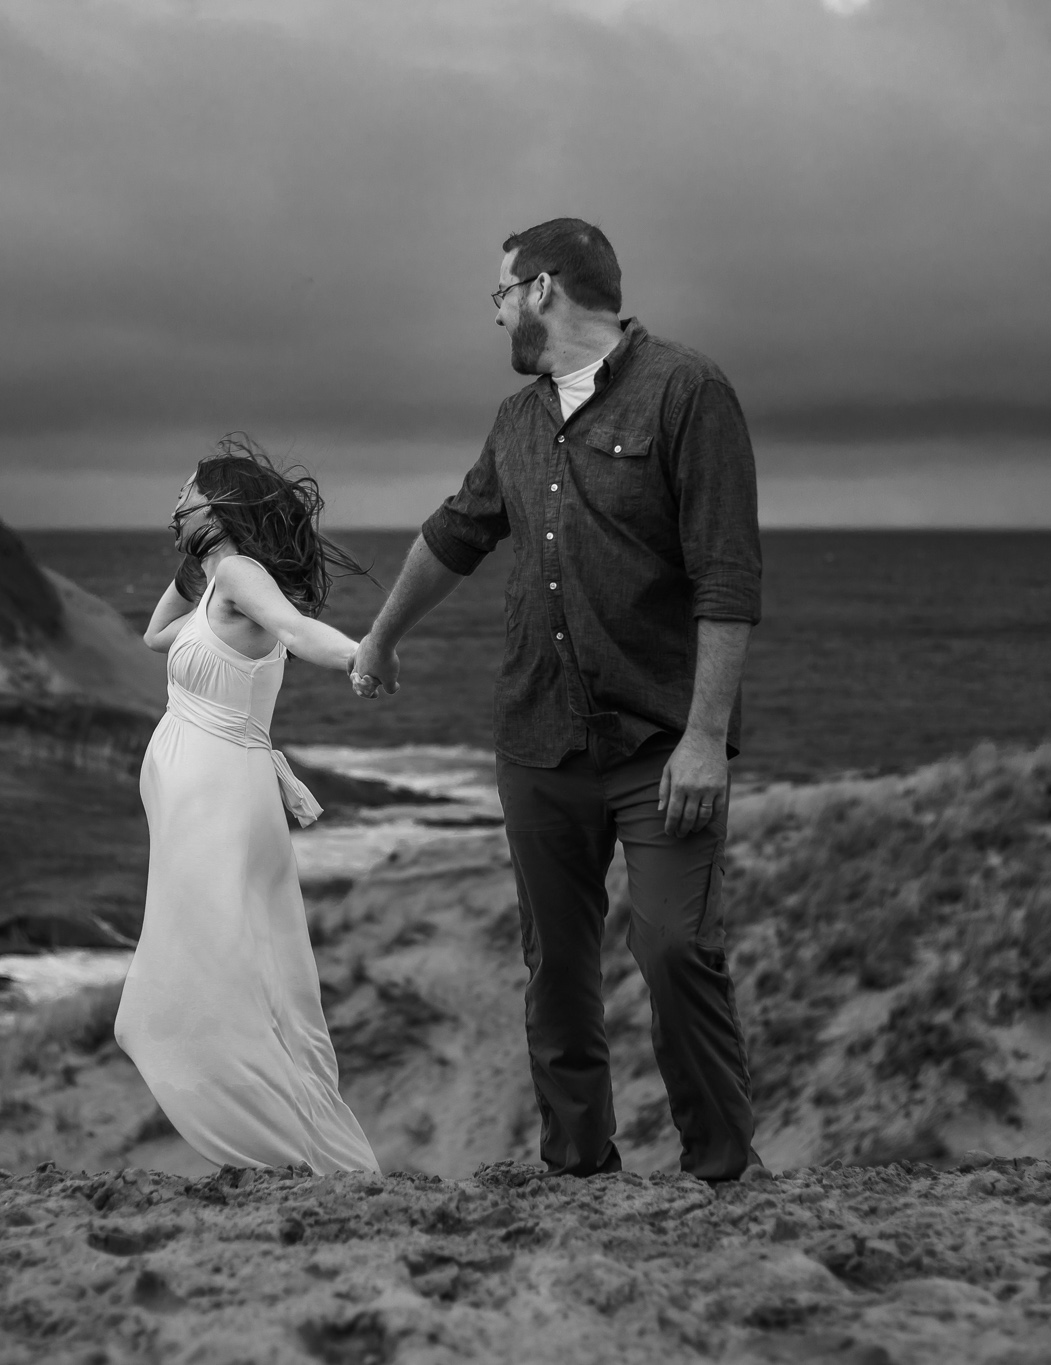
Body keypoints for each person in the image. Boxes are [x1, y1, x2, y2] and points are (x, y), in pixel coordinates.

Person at [350, 219, 765, 1182]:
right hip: (538, 741)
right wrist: (381, 636)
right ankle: (579, 1170)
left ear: (542, 289)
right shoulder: (517, 420)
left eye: (500, 293)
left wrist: (705, 738)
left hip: (662, 742)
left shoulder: (688, 392)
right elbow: (456, 533)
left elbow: (728, 576)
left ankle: (723, 1174)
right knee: (560, 973)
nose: (495, 312)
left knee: (673, 948)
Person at [115, 435, 378, 1174]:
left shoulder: (238, 571)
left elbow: (295, 629)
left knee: (220, 975)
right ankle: (291, 1140)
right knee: (232, 969)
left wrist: (360, 656)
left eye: (188, 489)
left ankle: (286, 1146)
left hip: (222, 797)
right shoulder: (214, 578)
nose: (175, 499)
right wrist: (190, 559)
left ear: (219, 504)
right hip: (198, 794)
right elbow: (155, 636)